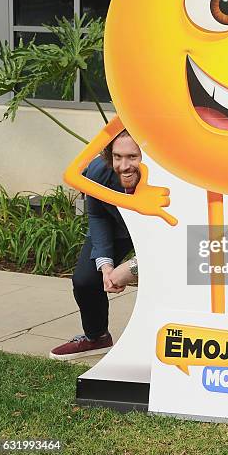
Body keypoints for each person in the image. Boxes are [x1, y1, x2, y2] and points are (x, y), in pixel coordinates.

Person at [50, 129, 141, 360]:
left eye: (133, 156)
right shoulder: (98, 171)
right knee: (85, 280)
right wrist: (106, 265)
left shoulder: (171, 175)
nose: (124, 165)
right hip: (117, 227)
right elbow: (98, 216)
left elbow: (175, 247)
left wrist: (132, 268)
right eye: (118, 157)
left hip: (159, 228)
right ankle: (96, 336)